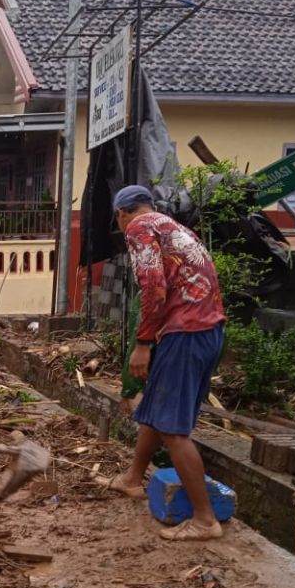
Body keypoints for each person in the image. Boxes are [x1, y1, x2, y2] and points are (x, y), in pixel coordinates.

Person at [109, 185, 227, 541]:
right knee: (157, 413)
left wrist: (143, 343)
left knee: (173, 429)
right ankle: (132, 479)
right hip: (206, 329)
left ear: (121, 213)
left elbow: (153, 285)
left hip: (185, 332)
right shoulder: (174, 227)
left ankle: (206, 520)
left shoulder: (139, 227)